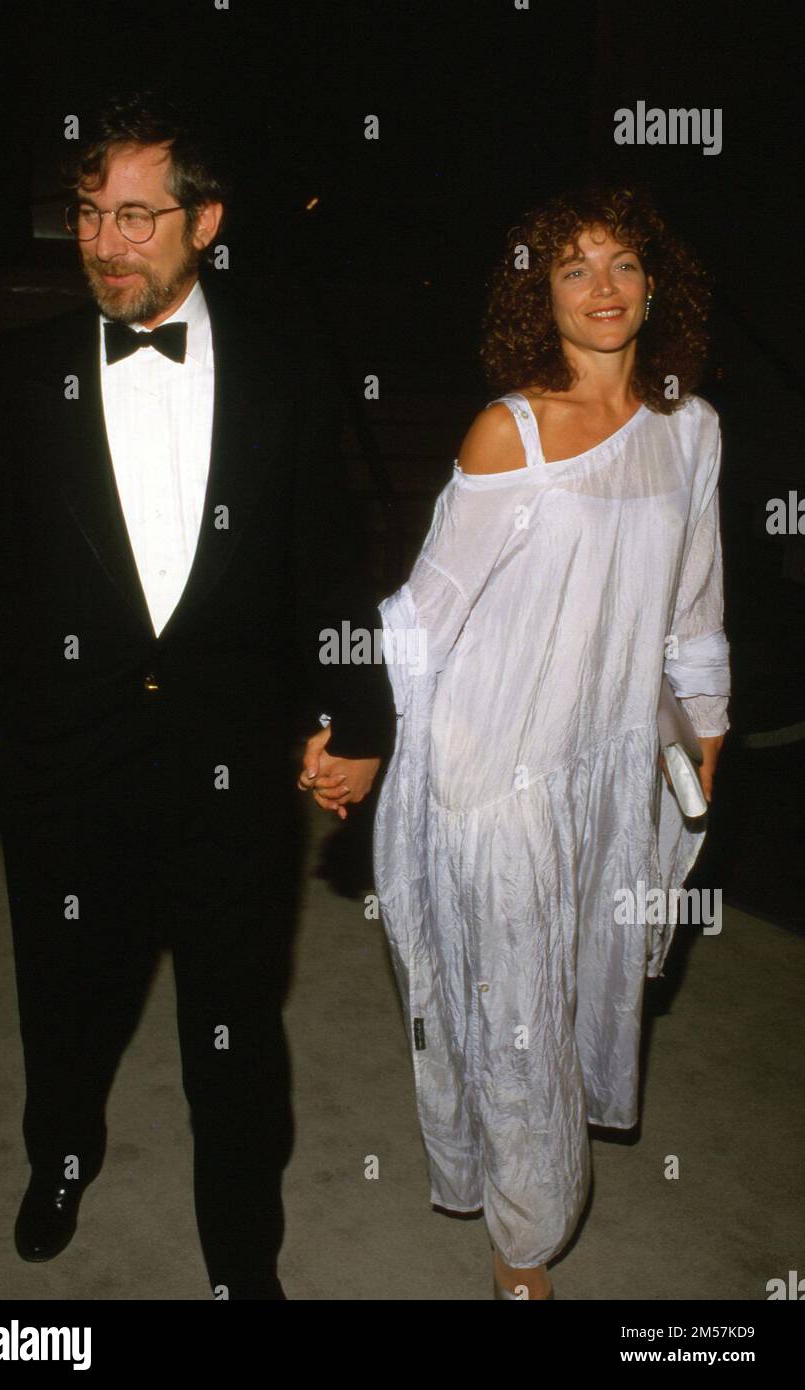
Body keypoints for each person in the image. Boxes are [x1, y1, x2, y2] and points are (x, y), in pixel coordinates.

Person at [0, 92, 394, 1300]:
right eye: (89, 213)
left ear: (204, 220)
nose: (105, 241)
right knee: (63, 997)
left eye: (137, 217)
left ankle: (239, 1260)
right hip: (62, 764)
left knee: (234, 1031)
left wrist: (359, 721)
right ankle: (62, 1152)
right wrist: (0, 721)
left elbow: (327, 564)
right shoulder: (16, 371)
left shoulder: (285, 366)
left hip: (230, 767)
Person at [371, 183, 731, 1300]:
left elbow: (693, 604)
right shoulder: (509, 431)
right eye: (573, 268)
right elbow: (422, 614)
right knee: (521, 1009)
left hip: (615, 763)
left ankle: (519, 1176)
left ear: (655, 281)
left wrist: (707, 725)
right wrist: (359, 738)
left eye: (623, 262)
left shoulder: (693, 427)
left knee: (577, 989)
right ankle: (523, 1254)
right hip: (500, 770)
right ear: (540, 294)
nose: (603, 287)